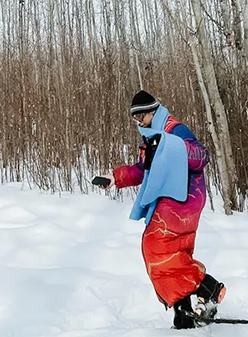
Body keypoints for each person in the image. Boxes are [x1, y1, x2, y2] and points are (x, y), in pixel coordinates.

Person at [96, 90, 226, 329]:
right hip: (175, 200)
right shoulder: (152, 136)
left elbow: (201, 156)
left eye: (140, 118)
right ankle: (185, 308)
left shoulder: (174, 130)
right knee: (173, 252)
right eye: (136, 119)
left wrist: (170, 146)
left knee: (156, 247)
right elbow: (142, 168)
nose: (139, 123)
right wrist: (115, 177)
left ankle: (204, 287)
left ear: (151, 112)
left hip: (183, 198)